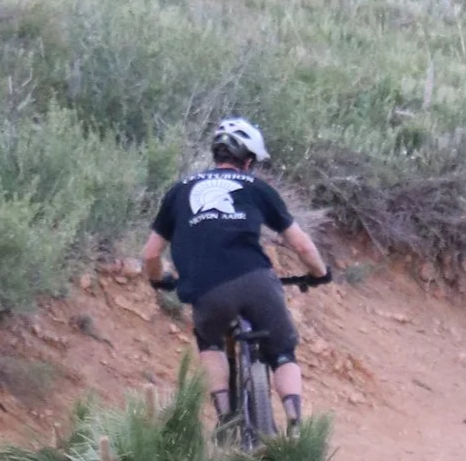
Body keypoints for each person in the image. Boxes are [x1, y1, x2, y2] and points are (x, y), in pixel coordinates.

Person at [141, 117, 330, 435]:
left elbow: (149, 255)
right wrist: (319, 273)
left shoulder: (178, 192)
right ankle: (295, 425)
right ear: (248, 160)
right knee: (282, 352)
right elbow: (300, 244)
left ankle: (226, 418)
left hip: (206, 290)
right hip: (255, 279)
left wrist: (160, 280)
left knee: (210, 343)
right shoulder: (258, 188)